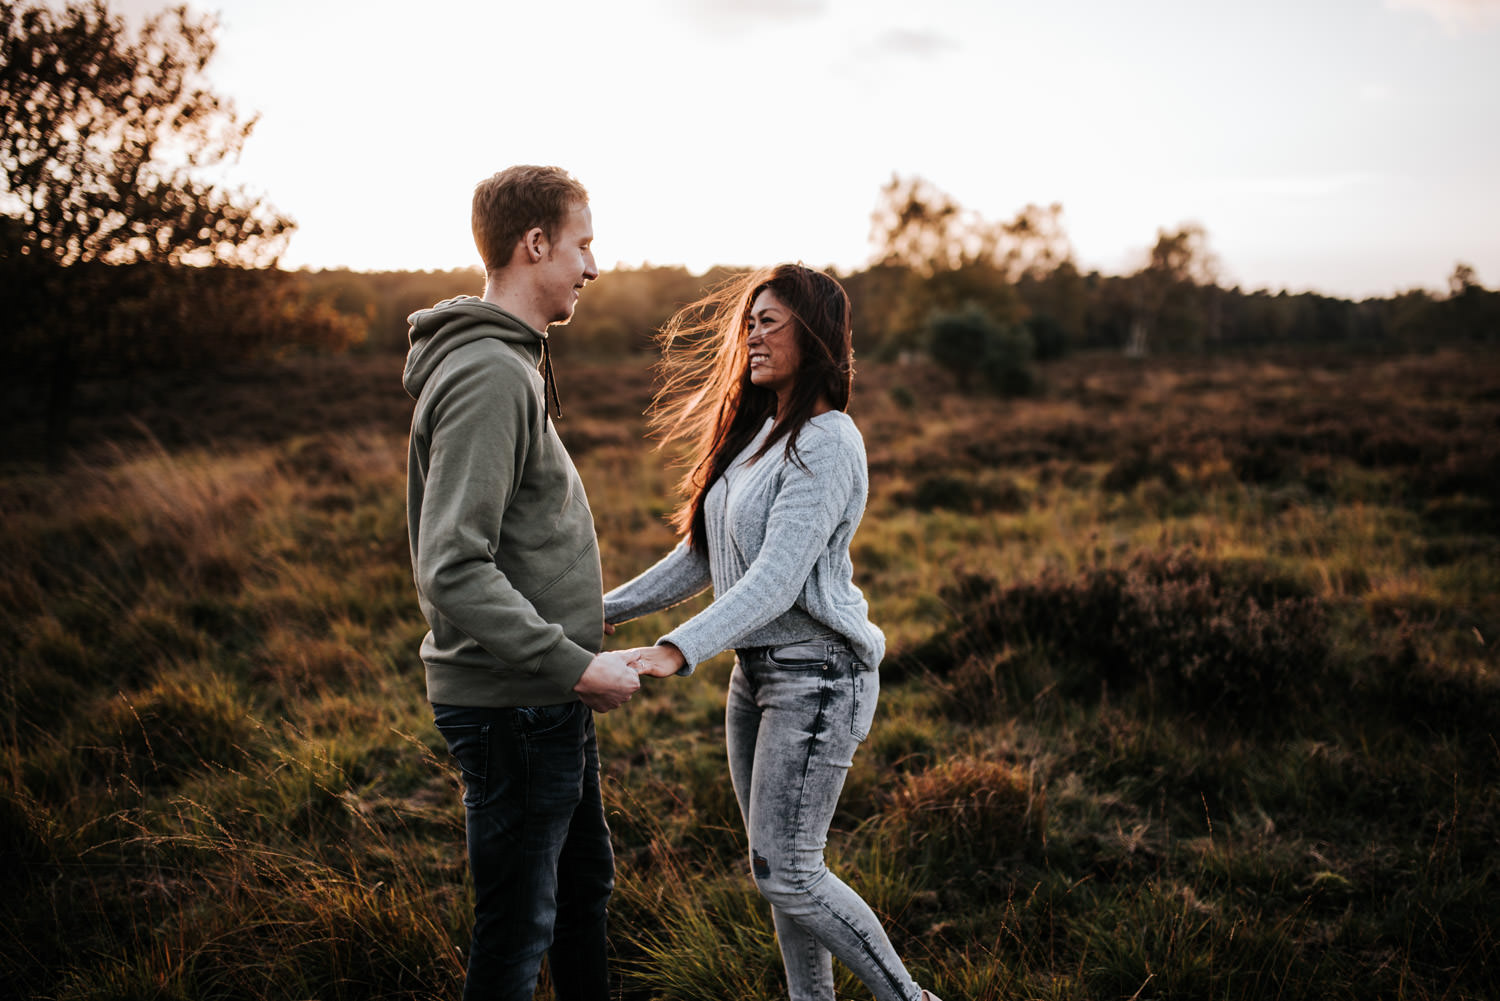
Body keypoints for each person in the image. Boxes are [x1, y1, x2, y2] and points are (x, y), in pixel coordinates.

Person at [603, 264, 944, 1001]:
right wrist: (604, 611)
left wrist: (675, 648)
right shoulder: (760, 432)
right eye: (749, 320)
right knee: (778, 871)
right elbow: (704, 556)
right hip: (757, 677)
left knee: (791, 869)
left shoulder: (828, 441)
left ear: (813, 334)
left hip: (820, 677)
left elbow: (776, 580)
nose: (752, 333)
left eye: (771, 320)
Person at [403, 165, 640, 1001]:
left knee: (581, 894)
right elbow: (453, 566)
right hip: (517, 702)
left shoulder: (512, 363)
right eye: (582, 244)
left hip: (544, 693)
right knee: (517, 933)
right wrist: (572, 664)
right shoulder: (489, 375)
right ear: (534, 244)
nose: (593, 266)